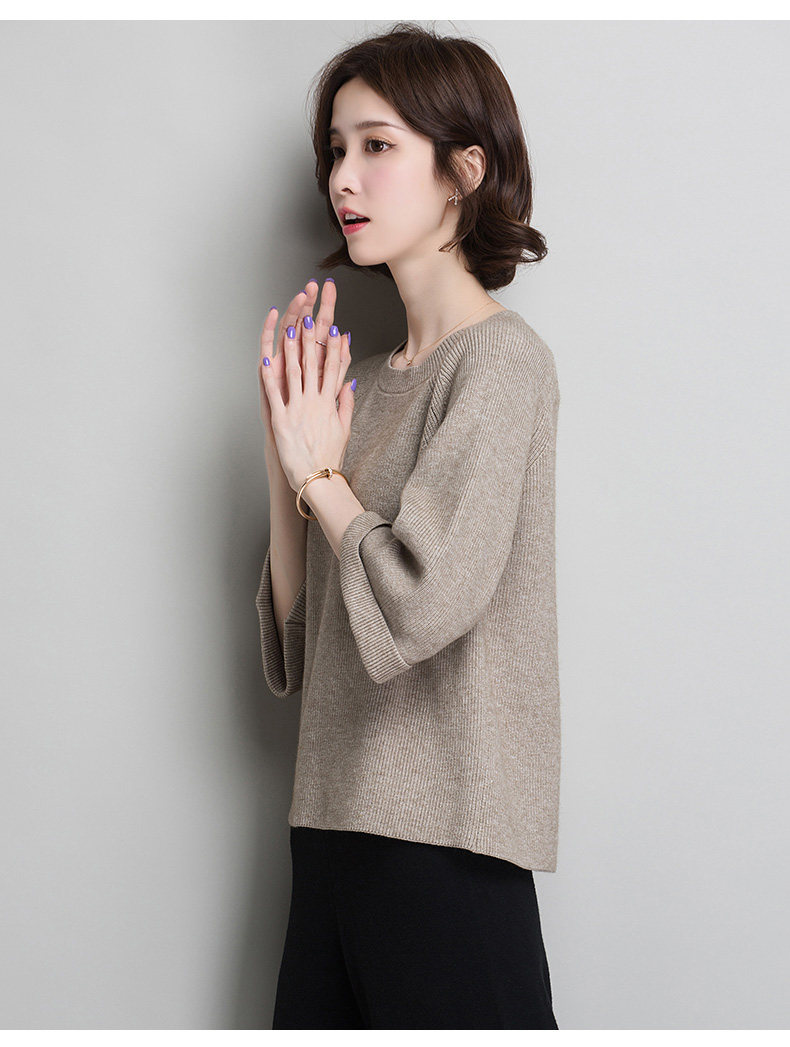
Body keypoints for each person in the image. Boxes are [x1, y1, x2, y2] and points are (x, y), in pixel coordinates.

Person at [256, 22, 560, 1030]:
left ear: (464, 171)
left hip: (445, 840)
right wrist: (286, 458)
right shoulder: (364, 383)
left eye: (377, 145)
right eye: (335, 150)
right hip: (328, 825)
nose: (343, 177)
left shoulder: (502, 363)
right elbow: (306, 651)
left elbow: (422, 605)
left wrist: (322, 476)